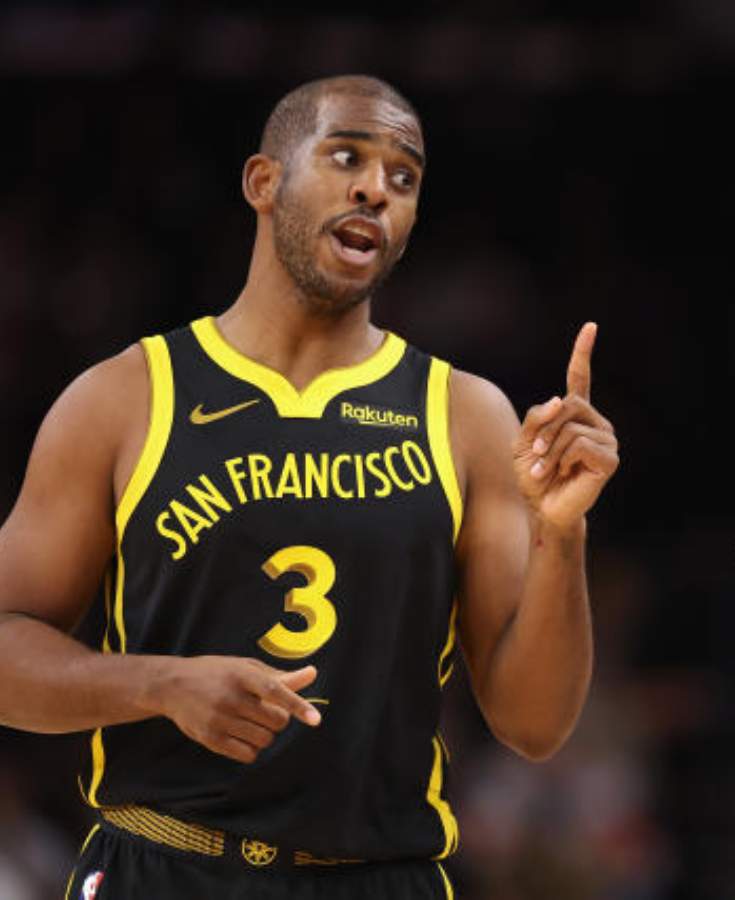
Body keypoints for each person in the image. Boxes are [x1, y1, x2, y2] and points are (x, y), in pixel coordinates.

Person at [0, 74, 619, 898]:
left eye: (405, 178)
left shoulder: (465, 416)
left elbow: (535, 725)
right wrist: (157, 684)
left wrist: (563, 534)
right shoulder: (126, 397)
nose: (376, 186)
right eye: (346, 157)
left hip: (379, 874)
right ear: (264, 182)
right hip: (163, 866)